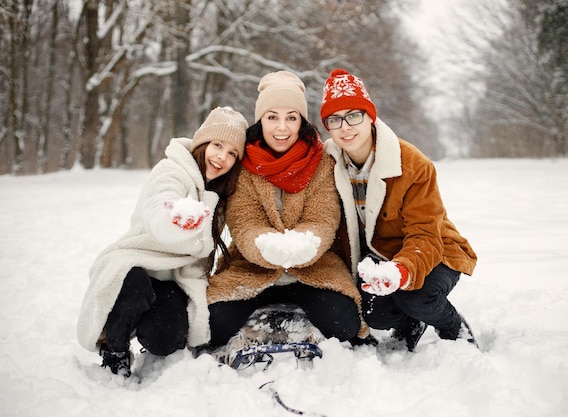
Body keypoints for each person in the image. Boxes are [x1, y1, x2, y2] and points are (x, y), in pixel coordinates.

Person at [76, 107, 248, 376]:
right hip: (136, 265)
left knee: (165, 338)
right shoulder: (172, 170)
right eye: (217, 145)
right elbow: (159, 207)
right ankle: (114, 347)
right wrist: (176, 218)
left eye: (232, 154)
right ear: (204, 143)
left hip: (174, 279)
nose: (222, 157)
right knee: (133, 285)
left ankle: (147, 323)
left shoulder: (221, 191)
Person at [205, 71, 368, 350]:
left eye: (291, 117)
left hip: (314, 268)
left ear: (301, 121)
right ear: (261, 120)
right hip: (251, 267)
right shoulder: (243, 163)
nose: (282, 128)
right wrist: (266, 246)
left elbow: (323, 218)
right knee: (211, 325)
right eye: (272, 117)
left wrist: (303, 246)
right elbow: (244, 222)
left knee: (344, 324)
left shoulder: (322, 162)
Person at [319, 68, 478, 351]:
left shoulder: (413, 165)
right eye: (334, 119)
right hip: (380, 257)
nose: (345, 127)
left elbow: (426, 235)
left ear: (370, 116)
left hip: (435, 251)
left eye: (353, 115)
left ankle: (451, 325)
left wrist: (402, 272)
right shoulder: (327, 164)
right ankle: (411, 322)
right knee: (375, 314)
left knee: (416, 297)